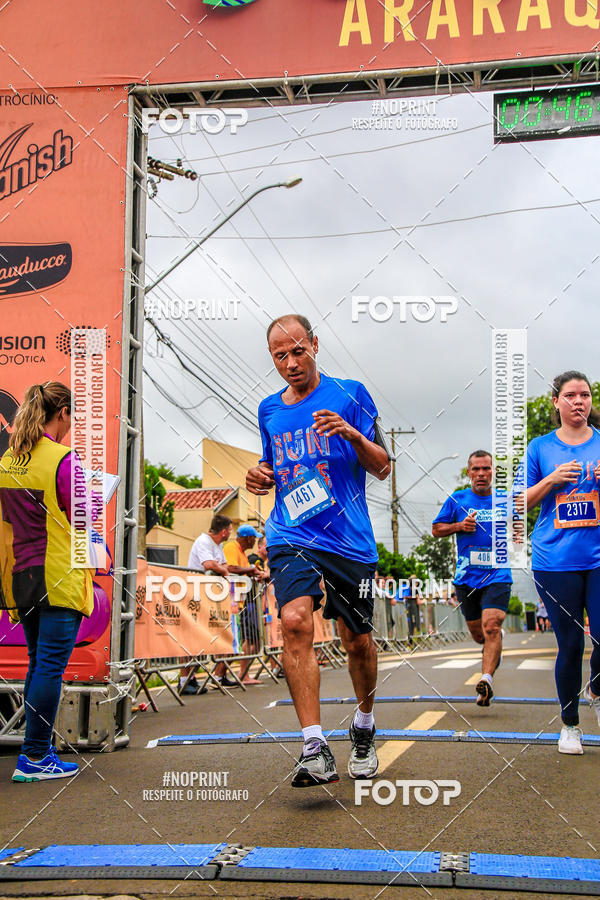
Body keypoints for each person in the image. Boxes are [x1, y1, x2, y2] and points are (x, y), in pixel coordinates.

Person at [246, 314, 390, 787]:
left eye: (297, 351)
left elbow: (384, 467)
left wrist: (350, 433)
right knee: (293, 623)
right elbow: (272, 467)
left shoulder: (351, 393)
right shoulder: (269, 409)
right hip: (291, 534)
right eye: (279, 356)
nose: (290, 362)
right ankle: (314, 746)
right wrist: (259, 476)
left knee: (357, 640)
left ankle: (364, 725)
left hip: (350, 541)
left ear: (315, 345)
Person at [0, 383, 95, 781]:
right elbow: (84, 520)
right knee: (50, 667)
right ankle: (36, 756)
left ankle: (36, 753)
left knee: (39, 664)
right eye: (72, 418)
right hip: (58, 574)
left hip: (21, 574)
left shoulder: (8, 460)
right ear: (62, 415)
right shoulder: (64, 461)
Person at [525, 370, 600, 755]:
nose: (578, 402)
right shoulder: (540, 448)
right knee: (570, 645)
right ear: (556, 402)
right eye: (570, 395)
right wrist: (553, 479)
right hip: (556, 561)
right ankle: (570, 725)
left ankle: (597, 689)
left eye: (584, 395)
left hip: (599, 558)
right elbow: (521, 503)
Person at [432, 450, 512, 707]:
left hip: (498, 573)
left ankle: (486, 678)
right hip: (466, 577)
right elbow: (436, 529)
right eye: (476, 469)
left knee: (492, 626)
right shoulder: (458, 500)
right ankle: (493, 646)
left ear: (493, 472)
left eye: (486, 469)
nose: (481, 474)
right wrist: (459, 526)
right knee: (480, 635)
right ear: (468, 473)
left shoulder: (505, 500)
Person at [182, 514, 233, 693]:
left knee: (202, 638)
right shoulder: (204, 541)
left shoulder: (218, 545)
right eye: (230, 530)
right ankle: (184, 679)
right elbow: (209, 564)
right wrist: (224, 572)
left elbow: (224, 564)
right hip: (195, 593)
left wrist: (223, 569)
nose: (231, 534)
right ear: (224, 531)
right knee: (192, 637)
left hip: (208, 596)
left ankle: (192, 677)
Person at [223, 524, 267, 684]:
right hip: (236, 602)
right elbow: (230, 567)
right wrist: (250, 570)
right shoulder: (231, 547)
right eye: (253, 538)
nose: (254, 541)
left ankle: (225, 675)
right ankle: (239, 674)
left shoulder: (241, 552)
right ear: (248, 538)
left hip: (241, 602)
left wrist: (250, 572)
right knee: (242, 640)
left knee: (245, 640)